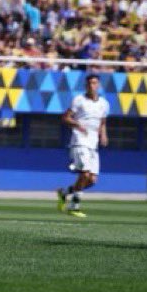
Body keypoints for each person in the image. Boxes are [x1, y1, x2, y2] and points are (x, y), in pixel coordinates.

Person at [56, 74, 109, 217]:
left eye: (94, 83)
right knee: (84, 173)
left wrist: (103, 135)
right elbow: (65, 118)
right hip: (80, 141)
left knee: (91, 180)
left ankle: (64, 193)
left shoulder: (104, 103)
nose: (92, 86)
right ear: (86, 86)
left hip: (93, 144)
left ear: (98, 85)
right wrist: (77, 124)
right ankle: (74, 207)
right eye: (89, 83)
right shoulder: (79, 100)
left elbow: (102, 122)